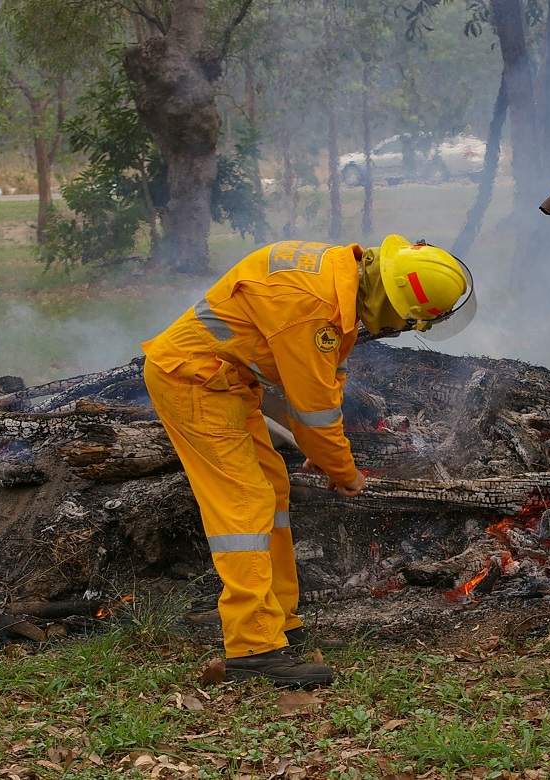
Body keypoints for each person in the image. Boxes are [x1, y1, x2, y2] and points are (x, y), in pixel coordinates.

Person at [142, 235, 474, 687]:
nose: (399, 329)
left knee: (272, 489)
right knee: (244, 504)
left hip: (224, 381)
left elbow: (321, 380)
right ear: (394, 301)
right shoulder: (314, 308)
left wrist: (322, 449)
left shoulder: (342, 279)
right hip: (193, 380)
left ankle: (279, 620)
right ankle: (253, 646)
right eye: (407, 320)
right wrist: (343, 471)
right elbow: (312, 409)